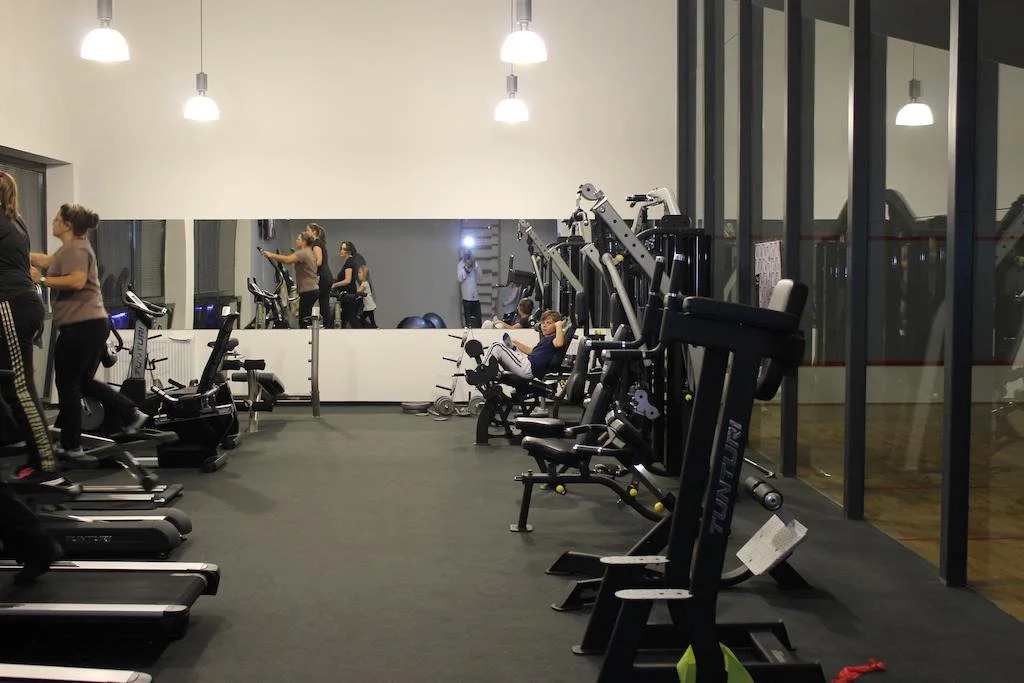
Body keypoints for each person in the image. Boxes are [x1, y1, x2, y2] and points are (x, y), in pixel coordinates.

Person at [29, 203, 149, 460]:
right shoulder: (71, 249)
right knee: (81, 382)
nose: (53, 221)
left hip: (81, 326)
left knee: (67, 385)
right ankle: (130, 412)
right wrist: (20, 254)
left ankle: (72, 445)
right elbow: (47, 261)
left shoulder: (76, 249)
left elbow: (76, 280)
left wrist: (41, 280)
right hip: (91, 325)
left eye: (57, 219)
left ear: (68, 225)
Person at [0, 170, 70, 582]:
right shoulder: (15, 221)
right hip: (19, 303)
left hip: (9, 306)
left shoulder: (5, 222)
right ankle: (33, 451)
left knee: (21, 387)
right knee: (15, 386)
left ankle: (45, 460)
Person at [481, 309, 566, 379]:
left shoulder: (553, 339)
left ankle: (482, 370)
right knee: (504, 346)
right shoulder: (545, 340)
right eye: (543, 323)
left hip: (528, 367)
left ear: (556, 325)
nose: (544, 325)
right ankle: (512, 348)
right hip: (527, 364)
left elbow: (559, 343)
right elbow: (531, 351)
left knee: (496, 346)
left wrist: (559, 326)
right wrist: (516, 343)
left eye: (549, 323)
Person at [261, 234, 319, 328]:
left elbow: (288, 260)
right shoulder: (309, 252)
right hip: (312, 289)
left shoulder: (303, 253)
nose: (296, 240)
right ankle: (307, 333)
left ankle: (306, 335)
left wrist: (271, 255)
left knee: (303, 319)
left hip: (308, 290)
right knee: (305, 317)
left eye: (298, 239)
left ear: (304, 242)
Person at [304, 223, 334, 329]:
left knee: (307, 302)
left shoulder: (316, 244)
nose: (306, 233)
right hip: (326, 277)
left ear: (314, 232)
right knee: (324, 303)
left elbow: (319, 261)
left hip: (322, 277)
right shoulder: (320, 243)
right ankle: (328, 326)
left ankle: (304, 325)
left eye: (308, 230)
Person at [331, 241, 361, 329]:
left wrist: (334, 285)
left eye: (344, 249)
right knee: (344, 318)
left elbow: (347, 280)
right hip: (345, 295)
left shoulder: (349, 262)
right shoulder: (348, 262)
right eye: (341, 249)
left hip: (348, 295)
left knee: (351, 318)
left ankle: (363, 333)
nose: (341, 251)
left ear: (349, 250)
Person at [457, 249, 483, 328]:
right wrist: (466, 267)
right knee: (469, 324)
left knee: (478, 322)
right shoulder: (460, 264)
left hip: (476, 298)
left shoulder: (475, 264)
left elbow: (481, 277)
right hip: (466, 299)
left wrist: (475, 265)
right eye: (466, 253)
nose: (467, 255)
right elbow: (459, 279)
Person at [356, 264, 377, 328]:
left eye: (359, 272)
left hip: (369, 305)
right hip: (368, 305)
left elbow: (358, 291)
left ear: (364, 274)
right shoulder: (364, 283)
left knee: (363, 320)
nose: (358, 274)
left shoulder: (364, 284)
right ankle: (373, 328)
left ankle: (374, 329)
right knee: (369, 320)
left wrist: (351, 291)